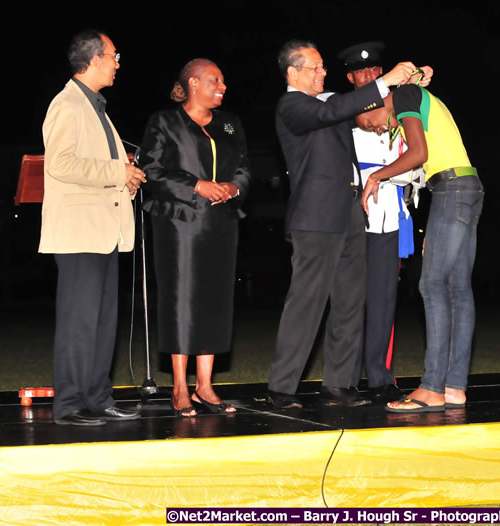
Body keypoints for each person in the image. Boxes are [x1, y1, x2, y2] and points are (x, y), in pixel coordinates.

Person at [267, 39, 430, 409]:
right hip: (315, 218)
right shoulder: (292, 105)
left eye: (324, 66)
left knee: (349, 301)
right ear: (293, 73)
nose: (323, 72)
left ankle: (339, 385)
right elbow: (341, 107)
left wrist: (411, 83)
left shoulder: (328, 102)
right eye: (315, 67)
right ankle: (281, 387)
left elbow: (366, 111)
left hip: (351, 214)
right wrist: (387, 80)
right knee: (307, 301)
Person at [40, 30, 145, 426]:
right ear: (96, 58)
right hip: (79, 233)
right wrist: (118, 171)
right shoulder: (67, 104)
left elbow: (103, 171)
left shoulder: (97, 108)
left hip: (104, 231)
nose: (119, 63)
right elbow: (61, 164)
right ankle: (69, 405)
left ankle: (99, 398)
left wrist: (127, 178)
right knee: (79, 322)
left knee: (102, 322)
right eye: (115, 56)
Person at [357, 85, 484, 413]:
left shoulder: (405, 96)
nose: (378, 128)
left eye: (370, 122)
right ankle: (454, 387)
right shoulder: (415, 98)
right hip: (463, 186)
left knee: (431, 285)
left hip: (452, 189)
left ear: (375, 101)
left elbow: (418, 153)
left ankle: (432, 388)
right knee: (458, 289)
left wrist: (376, 177)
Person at [140, 59, 249, 417]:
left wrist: (233, 188)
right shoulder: (165, 121)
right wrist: (197, 186)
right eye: (215, 80)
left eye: (223, 80)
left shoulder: (231, 123)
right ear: (193, 83)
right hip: (180, 223)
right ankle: (180, 387)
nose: (223, 86)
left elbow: (245, 169)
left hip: (222, 222)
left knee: (216, 300)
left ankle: (205, 385)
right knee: (182, 300)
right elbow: (153, 170)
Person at [337, 41, 416, 404]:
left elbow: (415, 167)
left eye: (375, 71)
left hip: (390, 216)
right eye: (362, 72)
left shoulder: (400, 107)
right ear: (351, 77)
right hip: (352, 216)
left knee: (384, 300)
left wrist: (397, 178)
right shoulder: (336, 108)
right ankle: (345, 378)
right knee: (349, 301)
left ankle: (380, 378)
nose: (369, 76)